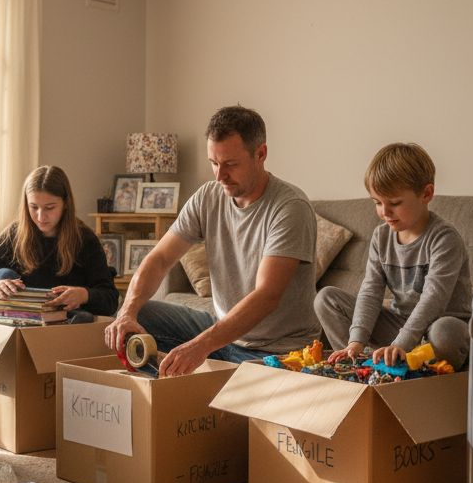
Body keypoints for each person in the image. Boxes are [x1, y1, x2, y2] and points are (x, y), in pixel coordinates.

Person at [103, 105, 319, 377]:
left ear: (260, 154)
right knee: (134, 315)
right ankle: (165, 396)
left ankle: (190, 390)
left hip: (274, 352)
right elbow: (159, 259)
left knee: (224, 391)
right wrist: (128, 312)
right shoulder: (208, 196)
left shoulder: (290, 207)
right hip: (222, 335)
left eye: (230, 165)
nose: (219, 176)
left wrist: (199, 346)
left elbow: (266, 296)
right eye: (214, 163)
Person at [317, 142, 473, 369]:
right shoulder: (381, 237)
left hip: (438, 327)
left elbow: (433, 300)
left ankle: (417, 369)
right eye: (377, 203)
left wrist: (402, 342)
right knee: (326, 299)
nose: (385, 212)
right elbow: (370, 291)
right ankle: (362, 367)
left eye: (395, 203)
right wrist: (356, 341)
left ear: (426, 194)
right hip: (399, 323)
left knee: (445, 331)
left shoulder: (444, 239)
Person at [0, 165, 119, 320]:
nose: (41, 216)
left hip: (63, 322)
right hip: (18, 321)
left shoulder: (85, 239)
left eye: (50, 208)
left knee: (84, 317)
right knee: (3, 275)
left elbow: (110, 299)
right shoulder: (13, 235)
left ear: (66, 204)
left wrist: (84, 295)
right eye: (33, 207)